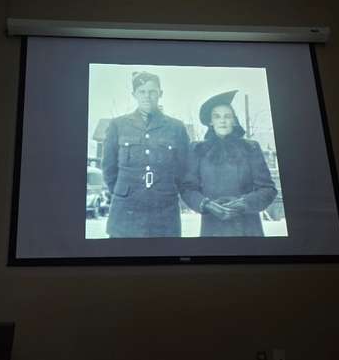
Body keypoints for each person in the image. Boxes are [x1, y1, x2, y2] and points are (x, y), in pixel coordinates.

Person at [102, 72, 190, 238]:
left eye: (152, 91)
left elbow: (183, 169)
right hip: (126, 211)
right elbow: (109, 168)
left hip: (164, 212)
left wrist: (167, 190)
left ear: (160, 94)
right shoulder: (118, 125)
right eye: (142, 91)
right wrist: (123, 191)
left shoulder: (176, 127)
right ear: (134, 94)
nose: (147, 96)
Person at [182, 90, 277, 237]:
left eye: (227, 116)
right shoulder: (198, 150)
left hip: (248, 228)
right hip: (213, 228)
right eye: (217, 116)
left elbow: (268, 190)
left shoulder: (250, 148)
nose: (222, 121)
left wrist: (244, 203)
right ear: (210, 122)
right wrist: (206, 205)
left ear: (234, 120)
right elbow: (188, 189)